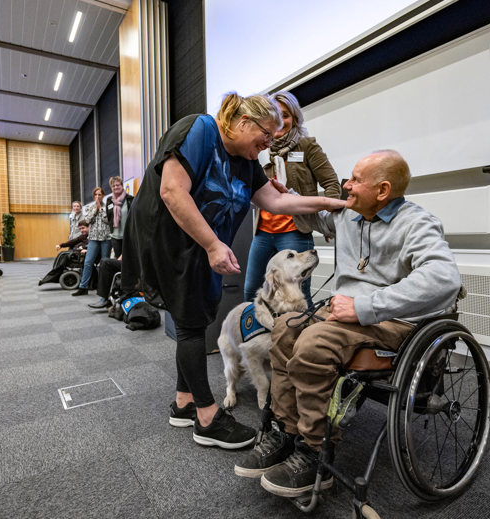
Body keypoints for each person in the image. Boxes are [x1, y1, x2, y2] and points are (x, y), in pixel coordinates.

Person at [121, 92, 345, 450]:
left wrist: (327, 202)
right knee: (191, 325)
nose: (269, 144)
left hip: (200, 242)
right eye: (266, 135)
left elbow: (276, 200)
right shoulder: (199, 129)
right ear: (244, 123)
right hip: (170, 240)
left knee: (194, 318)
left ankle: (183, 403)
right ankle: (207, 418)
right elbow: (172, 192)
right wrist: (212, 245)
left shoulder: (245, 158)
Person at [233, 150, 462, 497]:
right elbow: (311, 217)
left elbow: (444, 279)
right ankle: (289, 431)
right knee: (283, 330)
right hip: (343, 313)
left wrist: (366, 306)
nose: (346, 184)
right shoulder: (349, 215)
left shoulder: (416, 223)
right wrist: (286, 196)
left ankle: (314, 452)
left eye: (355, 179)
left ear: (383, 191)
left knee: (312, 345)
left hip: (391, 320)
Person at [244, 91, 340, 305]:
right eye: (276, 114)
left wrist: (329, 221)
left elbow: (332, 184)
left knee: (297, 295)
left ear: (295, 117)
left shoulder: (307, 146)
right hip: (263, 232)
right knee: (253, 290)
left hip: (295, 230)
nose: (280, 121)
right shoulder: (262, 147)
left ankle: (300, 338)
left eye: (286, 115)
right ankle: (257, 337)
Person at [73, 187, 112, 296]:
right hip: (94, 238)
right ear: (93, 196)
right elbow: (88, 220)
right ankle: (83, 287)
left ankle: (104, 287)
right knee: (88, 262)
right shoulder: (89, 207)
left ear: (103, 196)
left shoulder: (108, 206)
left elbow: (108, 220)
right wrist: (95, 209)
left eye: (100, 195)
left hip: (106, 238)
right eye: (96, 195)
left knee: (104, 264)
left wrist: (101, 209)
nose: (98, 197)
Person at [39, 221, 89, 285]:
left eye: (83, 228)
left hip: (83, 255)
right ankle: (51, 276)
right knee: (62, 254)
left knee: (63, 254)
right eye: (80, 229)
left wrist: (87, 250)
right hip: (78, 252)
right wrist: (61, 245)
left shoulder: (92, 236)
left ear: (89, 227)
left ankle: (51, 277)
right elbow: (73, 241)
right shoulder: (83, 236)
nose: (81, 230)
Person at [105, 176, 133, 257]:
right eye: (113, 186)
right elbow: (108, 216)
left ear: (122, 186)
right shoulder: (109, 200)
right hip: (115, 236)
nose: (116, 187)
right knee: (118, 260)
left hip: (128, 236)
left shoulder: (130, 199)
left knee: (129, 258)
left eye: (118, 185)